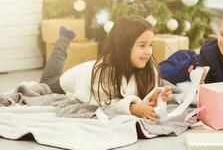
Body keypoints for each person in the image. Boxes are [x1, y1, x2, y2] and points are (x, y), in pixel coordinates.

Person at [40, 16, 172, 120]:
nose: (148, 51)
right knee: (47, 80)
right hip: (74, 78)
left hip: (96, 67)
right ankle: (64, 39)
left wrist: (154, 96)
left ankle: (64, 38)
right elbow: (106, 104)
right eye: (142, 45)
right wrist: (132, 108)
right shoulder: (105, 73)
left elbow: (139, 93)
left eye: (150, 45)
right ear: (123, 46)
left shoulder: (148, 68)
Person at [160, 2, 223, 86]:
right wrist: (199, 80)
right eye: (222, 34)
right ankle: (182, 56)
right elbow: (207, 90)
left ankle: (189, 54)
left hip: (216, 69)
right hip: (197, 63)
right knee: (165, 75)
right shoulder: (208, 53)